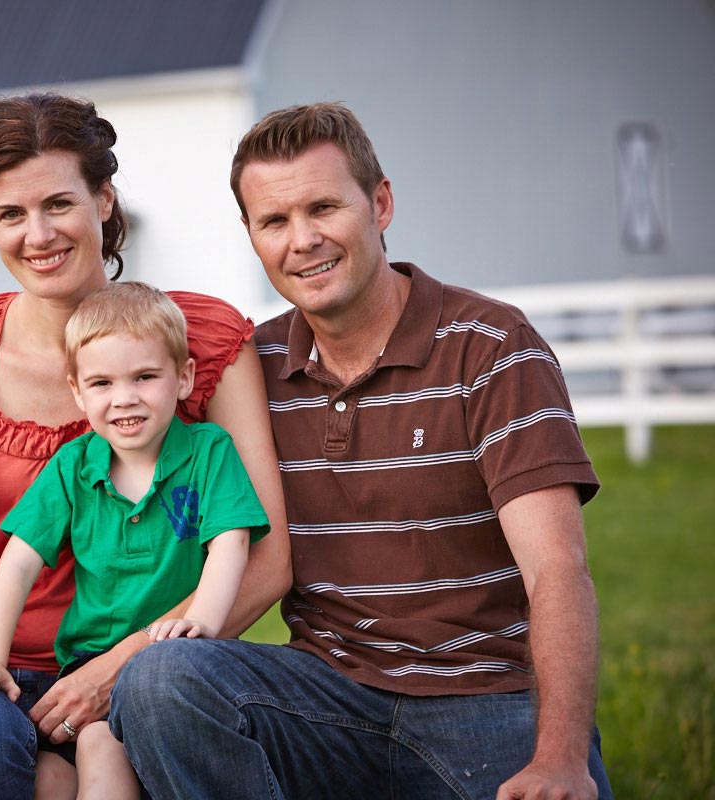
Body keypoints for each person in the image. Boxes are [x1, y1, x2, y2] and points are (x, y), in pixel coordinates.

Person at [110, 103, 614, 800]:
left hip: (487, 695)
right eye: (275, 221)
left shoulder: (492, 348)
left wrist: (561, 759)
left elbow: (558, 569)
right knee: (162, 679)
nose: (304, 240)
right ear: (251, 235)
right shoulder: (252, 371)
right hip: (323, 697)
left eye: (324, 207)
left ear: (380, 202)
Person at [0, 94, 289, 800]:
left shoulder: (202, 341)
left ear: (104, 199)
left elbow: (268, 558)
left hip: (151, 656)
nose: (38, 235)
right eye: (10, 214)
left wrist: (120, 668)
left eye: (58, 204)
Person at [0, 281, 271, 799]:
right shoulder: (73, 467)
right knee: (77, 759)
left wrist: (201, 621)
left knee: (121, 745)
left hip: (181, 662)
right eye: (102, 383)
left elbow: (231, 544)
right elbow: (16, 567)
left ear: (183, 378)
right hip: (89, 664)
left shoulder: (210, 451)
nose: (125, 399)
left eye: (145, 377)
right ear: (77, 391)